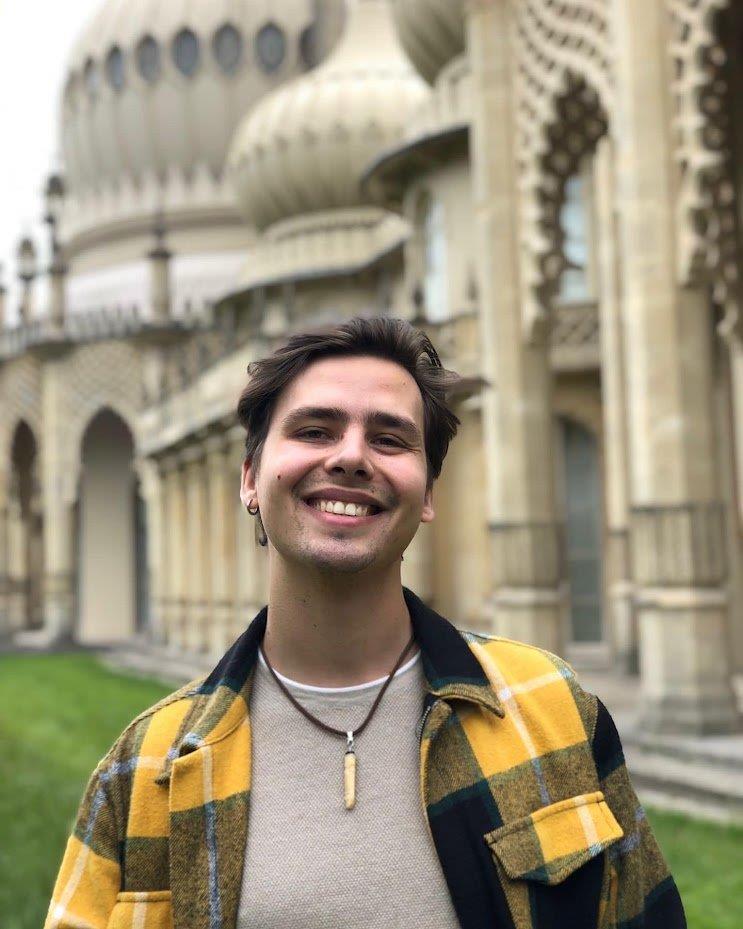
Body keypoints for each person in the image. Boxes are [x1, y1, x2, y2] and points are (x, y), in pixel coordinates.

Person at [45, 317, 685, 929]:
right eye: (314, 431)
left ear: (427, 493)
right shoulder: (143, 770)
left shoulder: (552, 710)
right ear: (250, 479)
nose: (351, 457)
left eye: (389, 439)